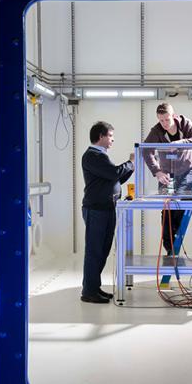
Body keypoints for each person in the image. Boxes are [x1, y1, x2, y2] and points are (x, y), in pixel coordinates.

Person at [80, 121, 135, 304]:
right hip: (96, 210)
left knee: (102, 251)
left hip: (106, 209)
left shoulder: (101, 156)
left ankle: (94, 288)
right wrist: (130, 162)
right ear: (101, 136)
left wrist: (131, 167)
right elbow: (114, 173)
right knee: (94, 251)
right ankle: (88, 292)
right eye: (110, 136)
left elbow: (116, 176)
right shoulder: (92, 156)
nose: (112, 139)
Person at [143, 103, 192, 255]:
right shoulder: (156, 131)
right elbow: (145, 150)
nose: (164, 123)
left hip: (187, 171)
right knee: (168, 206)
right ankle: (169, 246)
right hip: (167, 175)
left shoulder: (185, 123)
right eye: (161, 120)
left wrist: (180, 143)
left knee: (181, 200)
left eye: (167, 119)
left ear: (174, 116)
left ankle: (175, 240)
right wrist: (157, 171)